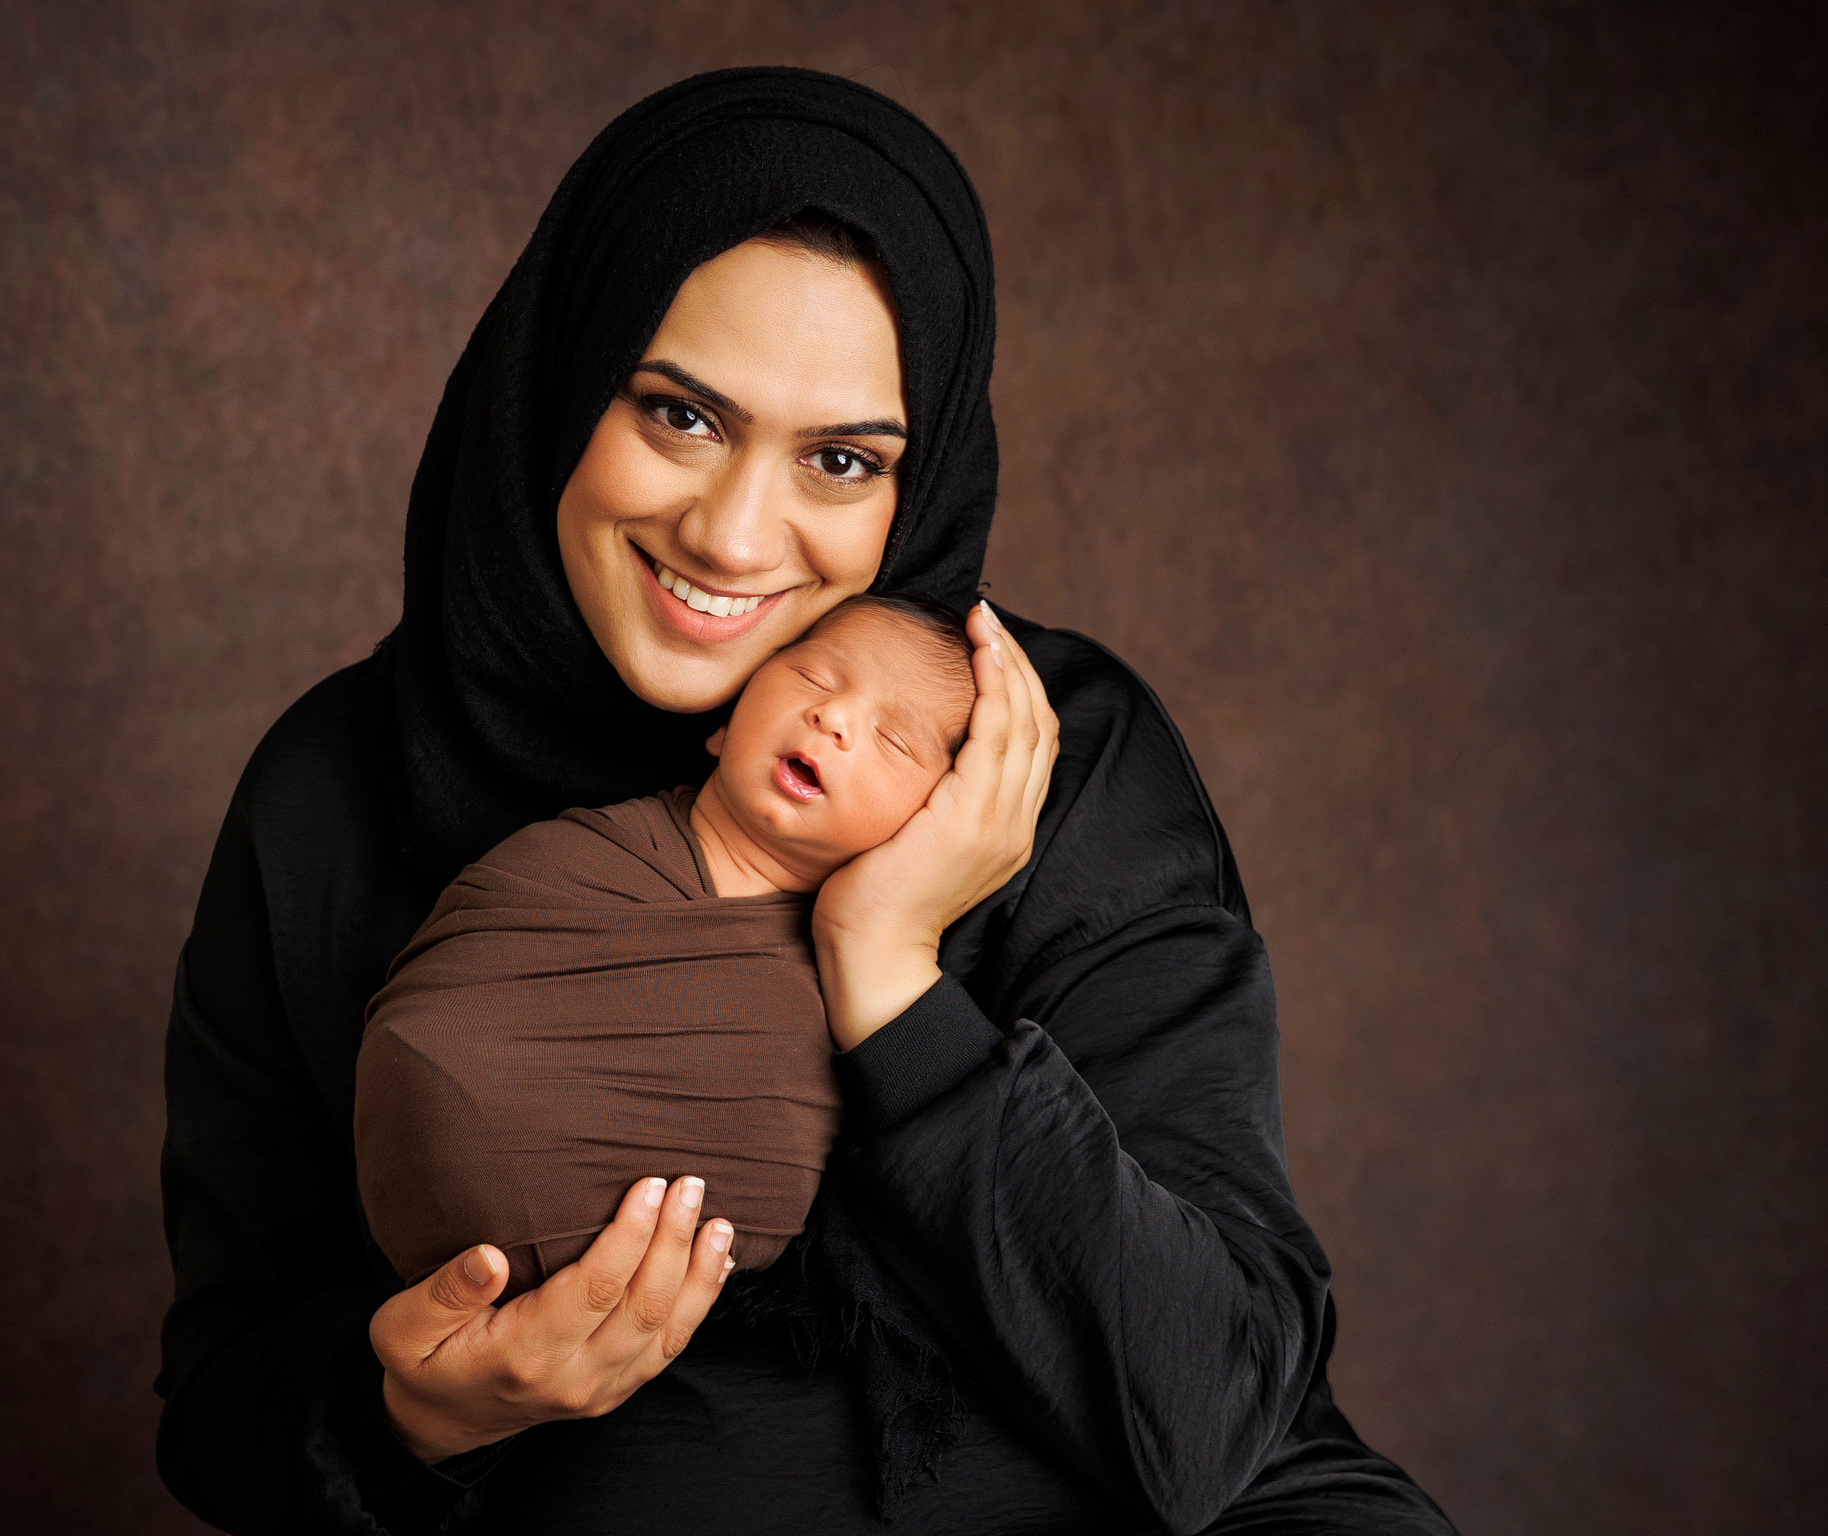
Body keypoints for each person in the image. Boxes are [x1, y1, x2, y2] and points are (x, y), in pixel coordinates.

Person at [155, 67, 1458, 1535]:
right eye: (679, 415)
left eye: (840, 461)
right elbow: (222, 1399)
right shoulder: (336, 795)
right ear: (557, 380)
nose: (733, 534)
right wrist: (422, 1414)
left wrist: (891, 977)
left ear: (916, 480)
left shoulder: (1034, 751)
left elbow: (1209, 1409)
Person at [354, 594, 977, 1296]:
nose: (833, 717)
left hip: (655, 1318)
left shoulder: (857, 993)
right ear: (724, 721)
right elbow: (438, 1002)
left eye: (894, 739)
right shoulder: (581, 856)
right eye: (814, 678)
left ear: (930, 837)